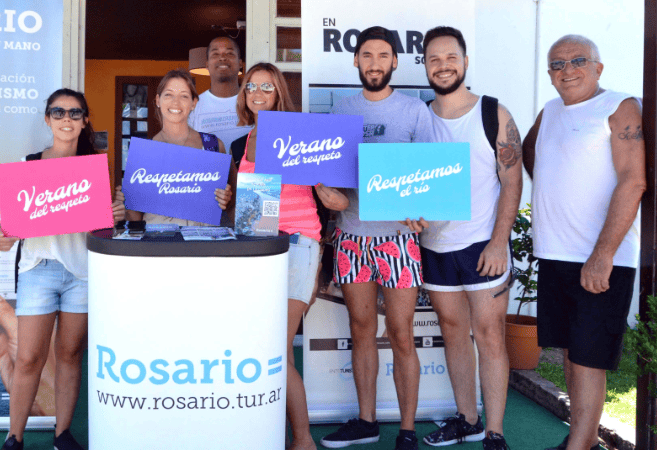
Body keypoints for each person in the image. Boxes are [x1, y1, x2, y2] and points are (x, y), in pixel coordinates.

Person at [523, 35, 645, 450]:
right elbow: (530, 152)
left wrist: (603, 254)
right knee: (572, 353)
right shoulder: (550, 110)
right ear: (549, 74)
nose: (567, 70)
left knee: (589, 357)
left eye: (577, 60)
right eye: (557, 64)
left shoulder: (620, 107)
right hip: (554, 253)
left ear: (598, 67)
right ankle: (583, 439)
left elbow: (634, 181)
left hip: (600, 258)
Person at [318, 26, 435, 450]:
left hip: (398, 241)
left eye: (383, 55)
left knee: (401, 333)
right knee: (361, 329)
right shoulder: (340, 111)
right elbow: (324, 171)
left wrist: (423, 210)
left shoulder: (414, 111)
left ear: (395, 62)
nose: (374, 63)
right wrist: (323, 191)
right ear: (355, 61)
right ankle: (366, 421)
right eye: (367, 55)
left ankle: (407, 429)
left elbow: (429, 175)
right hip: (352, 237)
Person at [0, 88, 126, 450]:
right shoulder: (29, 164)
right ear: (47, 119)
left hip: (81, 272)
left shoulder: (97, 168)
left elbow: (105, 230)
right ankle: (14, 437)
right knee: (28, 358)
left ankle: (62, 434)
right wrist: (2, 236)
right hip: (39, 269)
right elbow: (6, 232)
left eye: (75, 113)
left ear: (85, 121)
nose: (67, 119)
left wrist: (115, 214)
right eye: (58, 112)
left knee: (70, 356)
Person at [416, 26, 522, 450]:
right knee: (453, 332)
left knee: (490, 335)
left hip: (482, 244)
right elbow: (408, 183)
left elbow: (512, 182)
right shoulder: (419, 117)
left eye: (450, 57)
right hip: (434, 246)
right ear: (425, 65)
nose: (443, 66)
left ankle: (494, 432)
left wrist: (499, 241)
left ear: (464, 61)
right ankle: (468, 419)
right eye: (434, 59)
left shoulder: (493, 113)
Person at [235, 62, 322, 450]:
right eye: (251, 86)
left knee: (278, 349)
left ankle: (302, 440)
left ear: (279, 93)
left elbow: (324, 195)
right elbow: (257, 208)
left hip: (298, 244)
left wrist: (316, 263)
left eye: (266, 87)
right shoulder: (247, 139)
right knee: (269, 349)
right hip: (262, 249)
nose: (257, 93)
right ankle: (279, 436)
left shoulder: (297, 134)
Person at [126, 69, 234, 225]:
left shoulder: (213, 146)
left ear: (193, 103)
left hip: (202, 239)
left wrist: (226, 199)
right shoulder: (143, 153)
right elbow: (134, 216)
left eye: (184, 96)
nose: (175, 103)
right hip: (158, 239)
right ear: (158, 100)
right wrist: (122, 207)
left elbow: (231, 204)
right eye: (168, 95)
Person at [187, 36, 252, 158]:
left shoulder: (254, 102)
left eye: (230, 53)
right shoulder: (193, 107)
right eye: (215, 54)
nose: (222, 58)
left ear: (240, 63)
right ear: (207, 64)